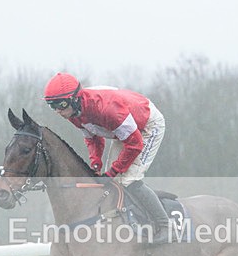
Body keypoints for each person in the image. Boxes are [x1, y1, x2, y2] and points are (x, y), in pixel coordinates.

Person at [43, 72, 169, 244]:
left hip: (147, 126)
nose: (58, 111)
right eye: (52, 106)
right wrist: (96, 163)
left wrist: (112, 172)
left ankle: (165, 225)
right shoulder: (73, 112)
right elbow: (92, 138)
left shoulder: (106, 110)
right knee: (115, 181)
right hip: (125, 128)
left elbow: (135, 145)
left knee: (127, 179)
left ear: (74, 99)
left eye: (61, 104)